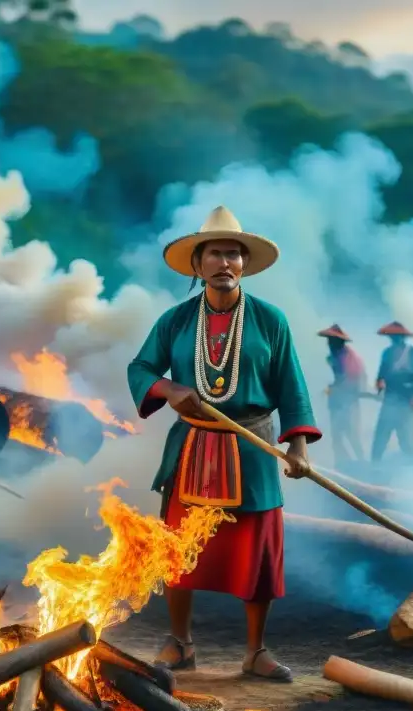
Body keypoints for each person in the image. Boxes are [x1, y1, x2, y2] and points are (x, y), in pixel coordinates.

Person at [127, 205, 321, 682]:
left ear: (244, 263)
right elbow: (141, 369)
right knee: (176, 547)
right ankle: (180, 643)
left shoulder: (270, 320)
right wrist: (171, 390)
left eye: (233, 254)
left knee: (257, 551)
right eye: (215, 254)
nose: (225, 263)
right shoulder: (175, 320)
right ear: (197, 265)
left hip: (253, 446)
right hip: (192, 446)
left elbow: (292, 385)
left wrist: (298, 446)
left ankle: (256, 651)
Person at [371, 321, 413, 461]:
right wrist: (379, 387)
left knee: (406, 441)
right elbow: (380, 377)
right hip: (389, 400)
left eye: (397, 337)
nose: (395, 339)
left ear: (403, 338)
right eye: (393, 337)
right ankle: (374, 466)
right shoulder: (387, 353)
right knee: (380, 438)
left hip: (406, 402)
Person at [319, 324, 366, 466]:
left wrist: (335, 389)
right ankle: (341, 464)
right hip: (338, 401)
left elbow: (352, 381)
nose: (328, 343)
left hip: (348, 402)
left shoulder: (350, 358)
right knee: (337, 437)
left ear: (338, 342)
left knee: (352, 435)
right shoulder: (335, 356)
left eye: (331, 340)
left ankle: (362, 464)